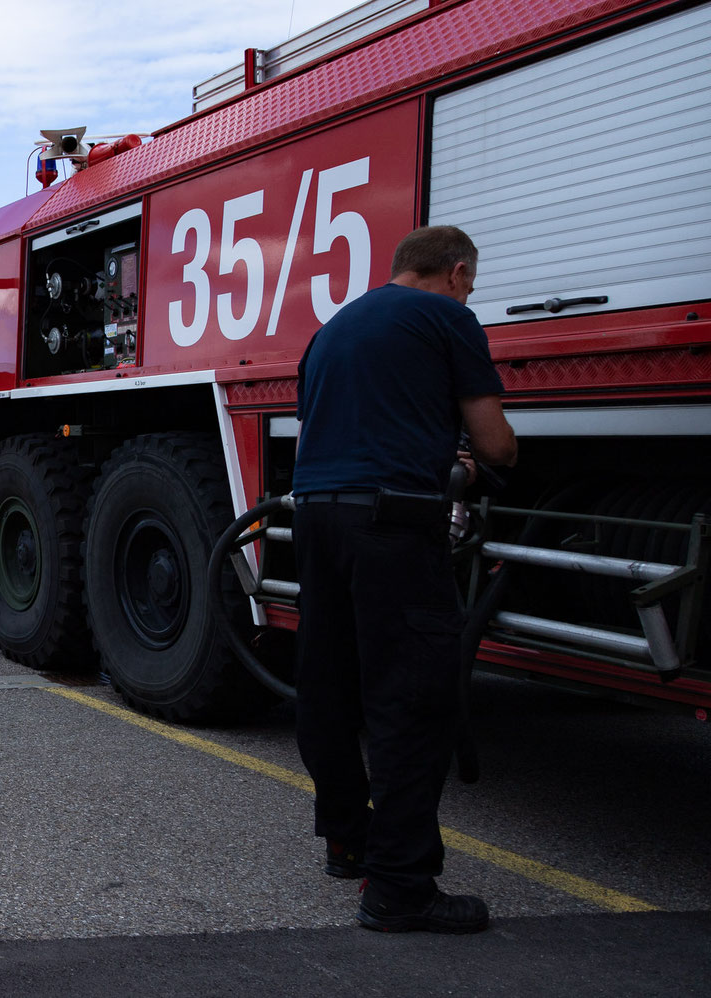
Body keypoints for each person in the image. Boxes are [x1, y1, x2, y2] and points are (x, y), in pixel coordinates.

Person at [291, 224, 517, 935]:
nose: (468, 294)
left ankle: (347, 841)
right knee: (411, 700)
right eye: (469, 284)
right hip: (391, 527)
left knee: (329, 687)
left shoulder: (332, 330)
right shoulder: (449, 318)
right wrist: (486, 462)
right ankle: (401, 888)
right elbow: (494, 440)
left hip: (315, 517)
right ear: (455, 273)